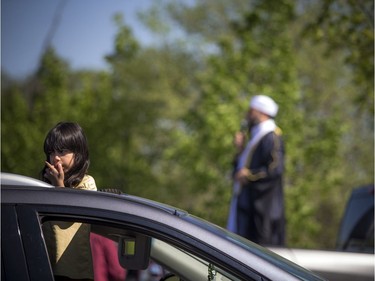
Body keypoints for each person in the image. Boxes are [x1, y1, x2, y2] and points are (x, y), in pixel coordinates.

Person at [227, 95, 285, 246]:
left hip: (262, 209)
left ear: (262, 112)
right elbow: (238, 171)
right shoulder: (255, 137)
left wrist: (249, 175)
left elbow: (274, 169)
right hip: (248, 206)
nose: (248, 114)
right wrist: (240, 150)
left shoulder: (271, 136)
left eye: (251, 110)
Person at [41, 122, 97, 281]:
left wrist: (59, 186)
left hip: (75, 273)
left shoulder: (86, 183)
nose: (55, 158)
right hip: (46, 268)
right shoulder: (45, 184)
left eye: (62, 151)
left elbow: (72, 217)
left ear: (78, 154)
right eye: (51, 152)